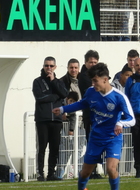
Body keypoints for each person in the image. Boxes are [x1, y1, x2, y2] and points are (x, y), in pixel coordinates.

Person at [53, 62, 135, 190]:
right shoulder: (91, 92)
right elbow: (82, 103)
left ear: (105, 80)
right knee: (85, 172)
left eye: (95, 81)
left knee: (111, 169)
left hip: (113, 138)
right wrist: (63, 109)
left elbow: (131, 119)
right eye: (92, 81)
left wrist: (120, 123)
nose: (93, 84)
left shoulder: (119, 97)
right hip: (96, 137)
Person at [32, 56, 68, 181]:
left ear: (55, 67)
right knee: (42, 147)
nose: (49, 68)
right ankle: (40, 173)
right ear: (43, 66)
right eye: (46, 65)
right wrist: (54, 96)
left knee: (55, 147)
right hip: (43, 119)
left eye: (51, 66)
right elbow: (39, 98)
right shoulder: (37, 81)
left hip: (56, 120)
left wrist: (53, 82)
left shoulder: (59, 82)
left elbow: (64, 94)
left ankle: (51, 173)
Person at [78, 50, 102, 179]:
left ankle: (94, 169)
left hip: (98, 114)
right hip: (89, 114)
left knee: (96, 143)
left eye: (95, 62)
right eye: (90, 62)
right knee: (91, 142)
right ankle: (90, 171)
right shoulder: (84, 76)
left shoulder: (95, 75)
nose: (93, 64)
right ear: (86, 62)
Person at [56, 91, 86, 179]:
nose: (72, 103)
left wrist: (71, 129)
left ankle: (75, 168)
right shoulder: (61, 104)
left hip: (79, 129)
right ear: (67, 99)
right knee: (65, 151)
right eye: (71, 101)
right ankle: (60, 172)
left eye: (74, 101)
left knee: (80, 149)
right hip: (66, 131)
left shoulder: (76, 107)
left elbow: (73, 117)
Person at [111, 67, 133, 176]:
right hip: (117, 121)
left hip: (127, 120)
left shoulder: (132, 85)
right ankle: (114, 170)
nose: (129, 78)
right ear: (121, 75)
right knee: (116, 147)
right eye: (127, 75)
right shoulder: (113, 87)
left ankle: (127, 171)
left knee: (129, 146)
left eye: (130, 75)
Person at [125, 58, 140, 178]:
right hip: (135, 116)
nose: (139, 67)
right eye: (137, 65)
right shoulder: (131, 80)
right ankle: (138, 170)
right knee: (137, 143)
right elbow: (127, 98)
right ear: (133, 66)